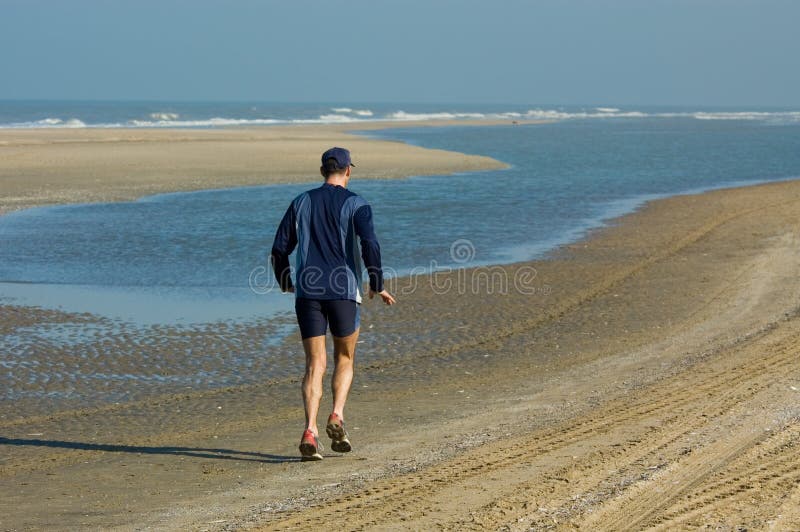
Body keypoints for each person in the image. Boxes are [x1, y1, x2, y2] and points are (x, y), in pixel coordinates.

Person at [271, 147, 396, 461]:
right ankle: (336, 415)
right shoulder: (358, 204)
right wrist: (377, 283)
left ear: (323, 171)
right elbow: (370, 243)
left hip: (308, 292)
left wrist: (286, 281)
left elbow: (279, 248)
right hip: (343, 290)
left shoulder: (301, 201)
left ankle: (310, 431)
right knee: (345, 357)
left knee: (315, 365)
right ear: (348, 171)